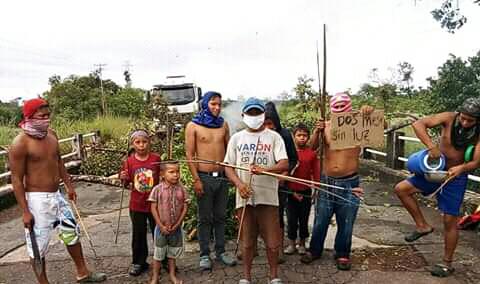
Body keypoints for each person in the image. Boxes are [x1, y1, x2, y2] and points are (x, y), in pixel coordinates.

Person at [9, 98, 106, 283]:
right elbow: (16, 180)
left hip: (57, 195)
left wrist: (69, 185)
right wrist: (25, 211)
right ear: (29, 117)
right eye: (41, 116)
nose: (46, 119)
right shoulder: (20, 143)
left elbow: (59, 161)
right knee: (38, 245)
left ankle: (83, 272)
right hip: (37, 200)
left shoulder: (51, 135)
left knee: (72, 232)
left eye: (48, 115)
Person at [394, 97, 480, 277]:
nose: (465, 123)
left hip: (454, 177)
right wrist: (431, 146)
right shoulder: (448, 118)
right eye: (463, 118)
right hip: (435, 169)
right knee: (402, 189)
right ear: (459, 113)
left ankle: (447, 264)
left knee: (450, 221)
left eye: (470, 120)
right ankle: (422, 225)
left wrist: (462, 168)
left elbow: (476, 162)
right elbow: (419, 124)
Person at [224, 97, 288, 284]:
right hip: (244, 197)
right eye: (250, 113)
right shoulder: (237, 138)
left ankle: (274, 275)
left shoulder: (274, 137)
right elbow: (228, 166)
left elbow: (283, 163)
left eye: (257, 113)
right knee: (247, 241)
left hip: (268, 197)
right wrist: (239, 184)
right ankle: (246, 277)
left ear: (263, 115)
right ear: (244, 115)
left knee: (272, 241)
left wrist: (265, 170)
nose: (254, 116)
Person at [301, 92, 368, 271]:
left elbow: (382, 126)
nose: (338, 110)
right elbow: (312, 147)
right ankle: (315, 250)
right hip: (327, 181)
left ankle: (343, 253)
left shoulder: (359, 124)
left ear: (349, 106)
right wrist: (317, 130)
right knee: (321, 219)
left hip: (350, 182)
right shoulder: (327, 126)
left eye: (342, 106)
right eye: (335, 107)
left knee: (346, 221)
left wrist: (368, 113)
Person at [185, 91, 236, 270]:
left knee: (221, 217)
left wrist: (232, 175)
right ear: (205, 104)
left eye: (219, 104)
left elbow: (230, 153)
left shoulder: (224, 125)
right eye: (213, 104)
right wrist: (196, 179)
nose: (217, 107)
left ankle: (221, 252)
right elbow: (189, 155)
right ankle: (204, 254)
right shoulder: (193, 126)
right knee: (204, 218)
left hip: (221, 178)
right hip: (204, 178)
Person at [119, 130, 161, 276]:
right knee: (138, 234)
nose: (141, 145)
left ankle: (163, 260)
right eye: (138, 142)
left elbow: (163, 179)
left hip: (155, 204)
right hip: (137, 205)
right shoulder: (129, 162)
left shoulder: (156, 159)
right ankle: (138, 262)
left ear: (149, 142)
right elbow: (125, 184)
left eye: (144, 142)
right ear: (132, 144)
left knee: (160, 233)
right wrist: (123, 177)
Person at [264, 102, 298, 262]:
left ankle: (278, 250)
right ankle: (262, 248)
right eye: (265, 124)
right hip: (262, 182)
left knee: (277, 216)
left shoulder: (284, 135)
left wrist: (284, 175)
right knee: (261, 215)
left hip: (279, 183)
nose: (268, 127)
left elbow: (292, 159)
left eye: (270, 124)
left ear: (276, 123)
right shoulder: (258, 135)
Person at [148, 161, 189, 284]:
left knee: (172, 254)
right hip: (161, 229)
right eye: (171, 172)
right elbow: (153, 208)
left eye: (177, 172)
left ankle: (172, 275)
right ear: (162, 174)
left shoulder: (182, 189)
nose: (176, 175)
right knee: (158, 254)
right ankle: (155, 277)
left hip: (175, 229)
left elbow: (185, 208)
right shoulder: (157, 190)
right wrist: (160, 225)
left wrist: (177, 225)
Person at [284, 123, 320, 255]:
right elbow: (285, 174)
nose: (302, 138)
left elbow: (316, 172)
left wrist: (316, 188)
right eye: (299, 135)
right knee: (291, 219)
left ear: (308, 137)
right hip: (290, 192)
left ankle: (302, 243)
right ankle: (291, 244)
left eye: (305, 135)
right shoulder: (288, 154)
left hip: (305, 192)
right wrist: (291, 192)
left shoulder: (311, 154)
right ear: (294, 137)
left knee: (304, 219)